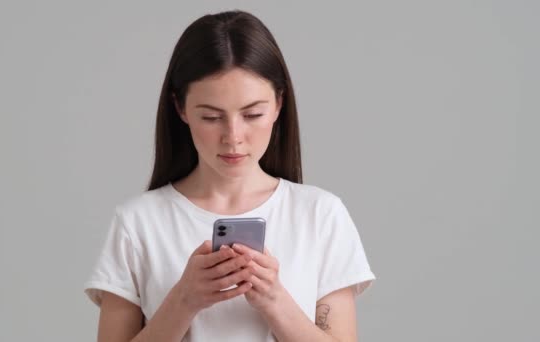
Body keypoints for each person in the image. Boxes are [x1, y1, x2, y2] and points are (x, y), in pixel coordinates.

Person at [84, 10, 376, 342]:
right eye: (211, 117)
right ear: (180, 108)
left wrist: (274, 300)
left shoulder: (321, 215)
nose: (233, 136)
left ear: (279, 104)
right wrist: (184, 300)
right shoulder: (137, 223)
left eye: (253, 114)